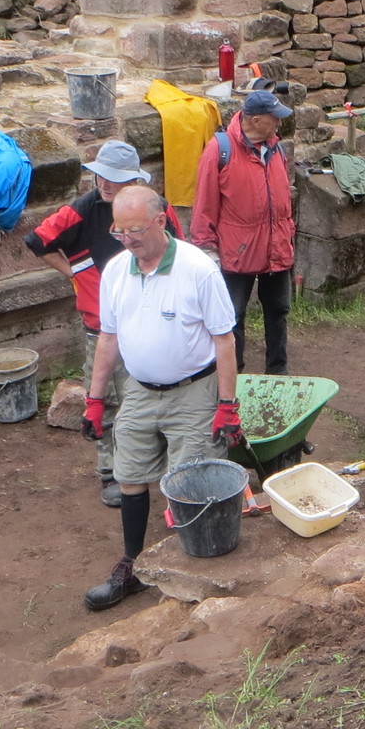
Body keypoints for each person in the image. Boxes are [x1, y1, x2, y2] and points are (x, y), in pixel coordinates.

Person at [84, 184, 241, 611]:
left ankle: (191, 576)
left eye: (136, 230)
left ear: (160, 220)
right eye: (119, 231)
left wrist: (227, 406)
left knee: (188, 483)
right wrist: (94, 400)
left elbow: (224, 340)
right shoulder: (116, 270)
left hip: (194, 390)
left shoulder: (198, 270)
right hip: (139, 389)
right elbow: (108, 337)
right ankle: (132, 566)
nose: (127, 239)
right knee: (129, 474)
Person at [26, 140, 182, 508]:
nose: (105, 184)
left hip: (149, 321)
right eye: (100, 176)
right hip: (101, 324)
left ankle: (155, 464)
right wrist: (75, 273)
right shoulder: (84, 208)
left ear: (134, 181)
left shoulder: (157, 209)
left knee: (154, 394)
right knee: (108, 401)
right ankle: (111, 472)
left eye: (115, 178)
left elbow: (179, 252)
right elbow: (38, 240)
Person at [191, 89, 296, 376]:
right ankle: (234, 377)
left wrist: (286, 235)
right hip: (237, 252)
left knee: (278, 311)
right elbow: (204, 204)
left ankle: (278, 372)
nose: (280, 123)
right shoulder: (219, 150)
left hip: (276, 248)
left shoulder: (276, 149)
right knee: (232, 316)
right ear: (257, 120)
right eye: (275, 118)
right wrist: (206, 248)